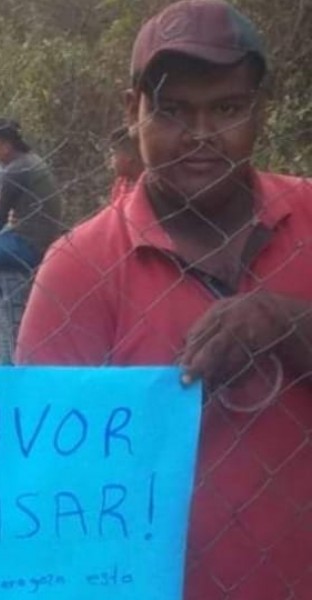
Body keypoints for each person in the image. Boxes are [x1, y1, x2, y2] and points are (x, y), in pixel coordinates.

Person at [17, 2, 312, 598]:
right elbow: (43, 476)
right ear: (133, 111)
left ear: (261, 112)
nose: (200, 134)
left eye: (227, 108)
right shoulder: (77, 268)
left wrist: (287, 323)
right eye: (172, 110)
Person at [0, 118, 61, 274]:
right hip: (40, 239)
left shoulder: (15, 170)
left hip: (27, 244)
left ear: (6, 147)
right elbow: (1, 197)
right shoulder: (29, 159)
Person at [107, 124, 143, 201]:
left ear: (128, 156)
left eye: (114, 153)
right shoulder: (120, 186)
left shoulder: (149, 186)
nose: (111, 159)